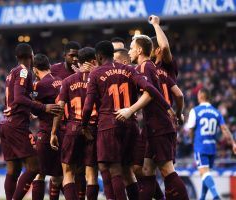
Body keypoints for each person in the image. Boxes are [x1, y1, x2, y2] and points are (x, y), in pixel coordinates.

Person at [82, 40, 173, 199]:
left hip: (108, 125)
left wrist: (84, 126)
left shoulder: (95, 73)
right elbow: (150, 88)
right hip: (131, 126)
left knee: (114, 169)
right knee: (129, 170)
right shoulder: (129, 70)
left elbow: (88, 106)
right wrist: (167, 106)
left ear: (99, 56)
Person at [127, 36, 189, 199]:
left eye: (131, 48)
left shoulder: (144, 67)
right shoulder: (156, 68)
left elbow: (149, 94)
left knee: (167, 169)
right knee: (145, 169)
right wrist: (177, 113)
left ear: (140, 50)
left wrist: (130, 110)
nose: (129, 51)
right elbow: (179, 94)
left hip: (158, 125)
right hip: (155, 125)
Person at [0, 43, 60, 200]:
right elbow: (19, 97)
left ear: (16, 57)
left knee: (13, 170)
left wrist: (30, 109)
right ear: (32, 56)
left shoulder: (11, 72)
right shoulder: (24, 71)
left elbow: (15, 98)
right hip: (17, 125)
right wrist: (44, 107)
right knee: (34, 167)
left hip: (6, 123)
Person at [51, 47, 99, 200]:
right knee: (91, 175)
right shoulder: (99, 77)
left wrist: (53, 132)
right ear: (94, 60)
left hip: (72, 128)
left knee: (68, 173)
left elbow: (59, 108)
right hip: (93, 128)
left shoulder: (68, 81)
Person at [187, 88, 236, 200]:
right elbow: (224, 128)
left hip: (200, 146)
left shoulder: (195, 110)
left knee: (204, 173)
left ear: (200, 96)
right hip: (212, 147)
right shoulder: (216, 112)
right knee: (206, 174)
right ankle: (202, 198)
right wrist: (233, 143)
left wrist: (193, 140)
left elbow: (190, 130)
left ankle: (215, 196)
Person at [31, 54, 63, 200]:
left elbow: (33, 109)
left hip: (47, 132)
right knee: (58, 175)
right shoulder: (60, 81)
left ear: (35, 70)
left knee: (39, 172)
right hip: (63, 131)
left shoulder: (39, 85)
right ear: (49, 66)